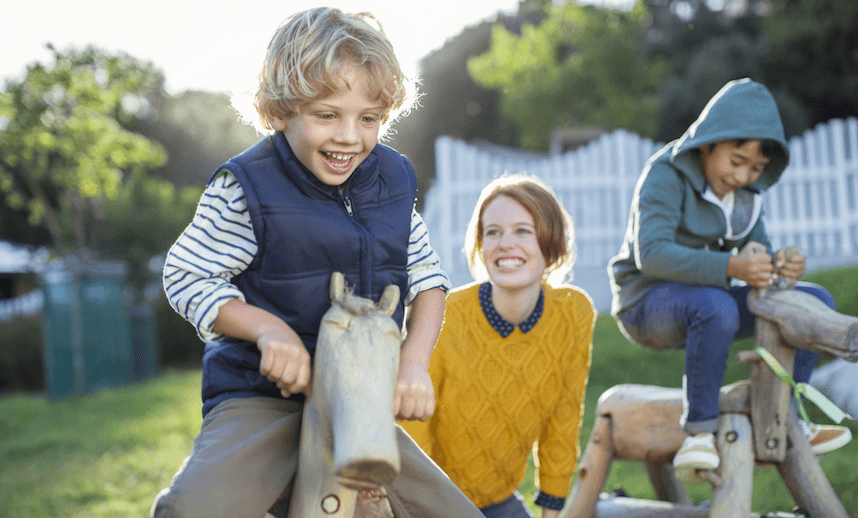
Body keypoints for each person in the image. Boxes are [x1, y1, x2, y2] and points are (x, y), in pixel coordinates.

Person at [152, 7, 484, 518]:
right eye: (327, 115)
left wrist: (414, 364)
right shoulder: (245, 188)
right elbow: (186, 275)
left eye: (368, 119)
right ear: (280, 111)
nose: (350, 137)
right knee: (196, 510)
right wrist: (268, 331)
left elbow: (429, 282)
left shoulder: (391, 182)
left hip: (360, 403)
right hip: (263, 400)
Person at [608, 78, 852, 483]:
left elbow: (756, 255)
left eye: (755, 168)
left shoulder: (746, 196)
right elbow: (650, 254)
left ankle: (788, 416)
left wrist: (779, 267)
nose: (742, 176)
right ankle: (699, 432)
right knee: (715, 303)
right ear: (708, 144)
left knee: (815, 299)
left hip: (708, 305)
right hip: (646, 305)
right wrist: (731, 268)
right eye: (736, 161)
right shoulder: (665, 174)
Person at [400, 174, 596, 518]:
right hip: (430, 498)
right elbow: (413, 430)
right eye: (493, 232)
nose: (505, 243)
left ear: (551, 244)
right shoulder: (449, 316)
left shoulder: (573, 312)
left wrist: (551, 509)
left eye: (523, 231)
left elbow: (564, 420)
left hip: (499, 500)